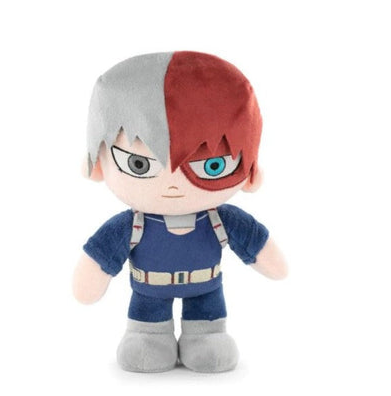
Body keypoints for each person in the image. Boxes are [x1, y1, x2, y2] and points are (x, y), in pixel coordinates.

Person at [73, 51, 287, 373]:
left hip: (206, 292)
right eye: (139, 164)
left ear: (250, 171)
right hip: (149, 294)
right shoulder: (133, 225)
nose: (173, 185)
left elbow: (256, 245)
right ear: (97, 164)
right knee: (146, 341)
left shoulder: (220, 220)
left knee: (209, 342)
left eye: (212, 165)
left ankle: (205, 336)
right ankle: (149, 336)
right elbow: (100, 256)